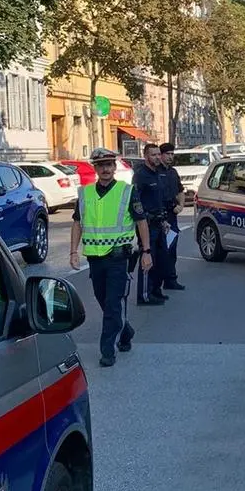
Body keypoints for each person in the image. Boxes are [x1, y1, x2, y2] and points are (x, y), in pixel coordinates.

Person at [69, 148, 153, 367]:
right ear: (95, 169)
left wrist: (146, 252)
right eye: (101, 165)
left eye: (109, 165)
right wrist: (73, 252)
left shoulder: (127, 191)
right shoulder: (85, 193)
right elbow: (77, 223)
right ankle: (126, 332)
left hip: (119, 258)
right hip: (95, 259)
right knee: (104, 301)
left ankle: (107, 350)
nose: (105, 169)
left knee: (113, 304)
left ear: (114, 167)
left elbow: (141, 222)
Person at [132, 143, 170, 305]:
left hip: (159, 222)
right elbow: (136, 201)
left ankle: (155, 290)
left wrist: (164, 219)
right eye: (153, 155)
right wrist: (144, 218)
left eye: (158, 154)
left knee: (161, 259)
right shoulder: (141, 175)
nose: (157, 157)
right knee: (147, 258)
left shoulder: (157, 173)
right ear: (146, 156)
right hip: (147, 224)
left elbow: (158, 199)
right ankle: (144, 295)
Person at [158, 142, 187, 291]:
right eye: (167, 154)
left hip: (172, 216)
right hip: (160, 216)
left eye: (172, 154)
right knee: (161, 250)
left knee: (172, 248)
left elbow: (180, 190)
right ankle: (157, 283)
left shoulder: (173, 172)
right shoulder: (156, 172)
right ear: (161, 155)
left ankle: (170, 279)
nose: (170, 157)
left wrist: (181, 205)